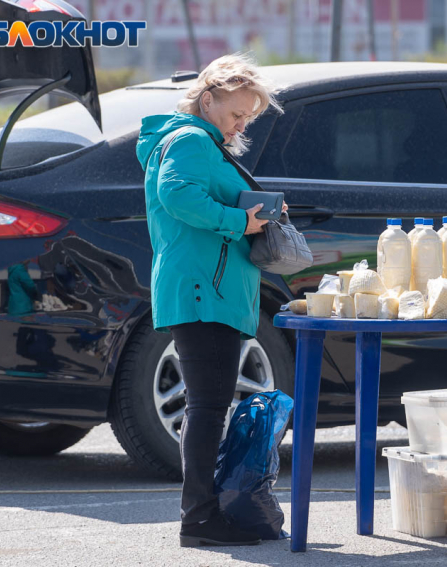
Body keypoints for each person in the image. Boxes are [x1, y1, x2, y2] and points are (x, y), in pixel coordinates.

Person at [135, 53, 283, 548]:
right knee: (206, 408)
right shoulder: (193, 140)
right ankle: (199, 519)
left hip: (206, 288)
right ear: (206, 98)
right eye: (236, 112)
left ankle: (203, 514)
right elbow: (177, 195)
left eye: (248, 116)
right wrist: (241, 222)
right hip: (204, 290)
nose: (241, 123)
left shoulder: (196, 140)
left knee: (208, 406)